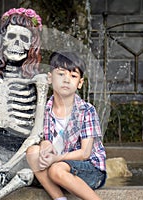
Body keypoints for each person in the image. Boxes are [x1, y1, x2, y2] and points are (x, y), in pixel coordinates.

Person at [26, 51, 106, 200]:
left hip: (89, 169)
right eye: (61, 74)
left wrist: (55, 159)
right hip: (57, 167)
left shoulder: (86, 110)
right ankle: (60, 198)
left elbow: (85, 153)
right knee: (32, 152)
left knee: (56, 169)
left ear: (80, 83)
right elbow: (40, 139)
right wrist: (44, 144)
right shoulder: (43, 110)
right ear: (50, 78)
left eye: (73, 76)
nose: (67, 80)